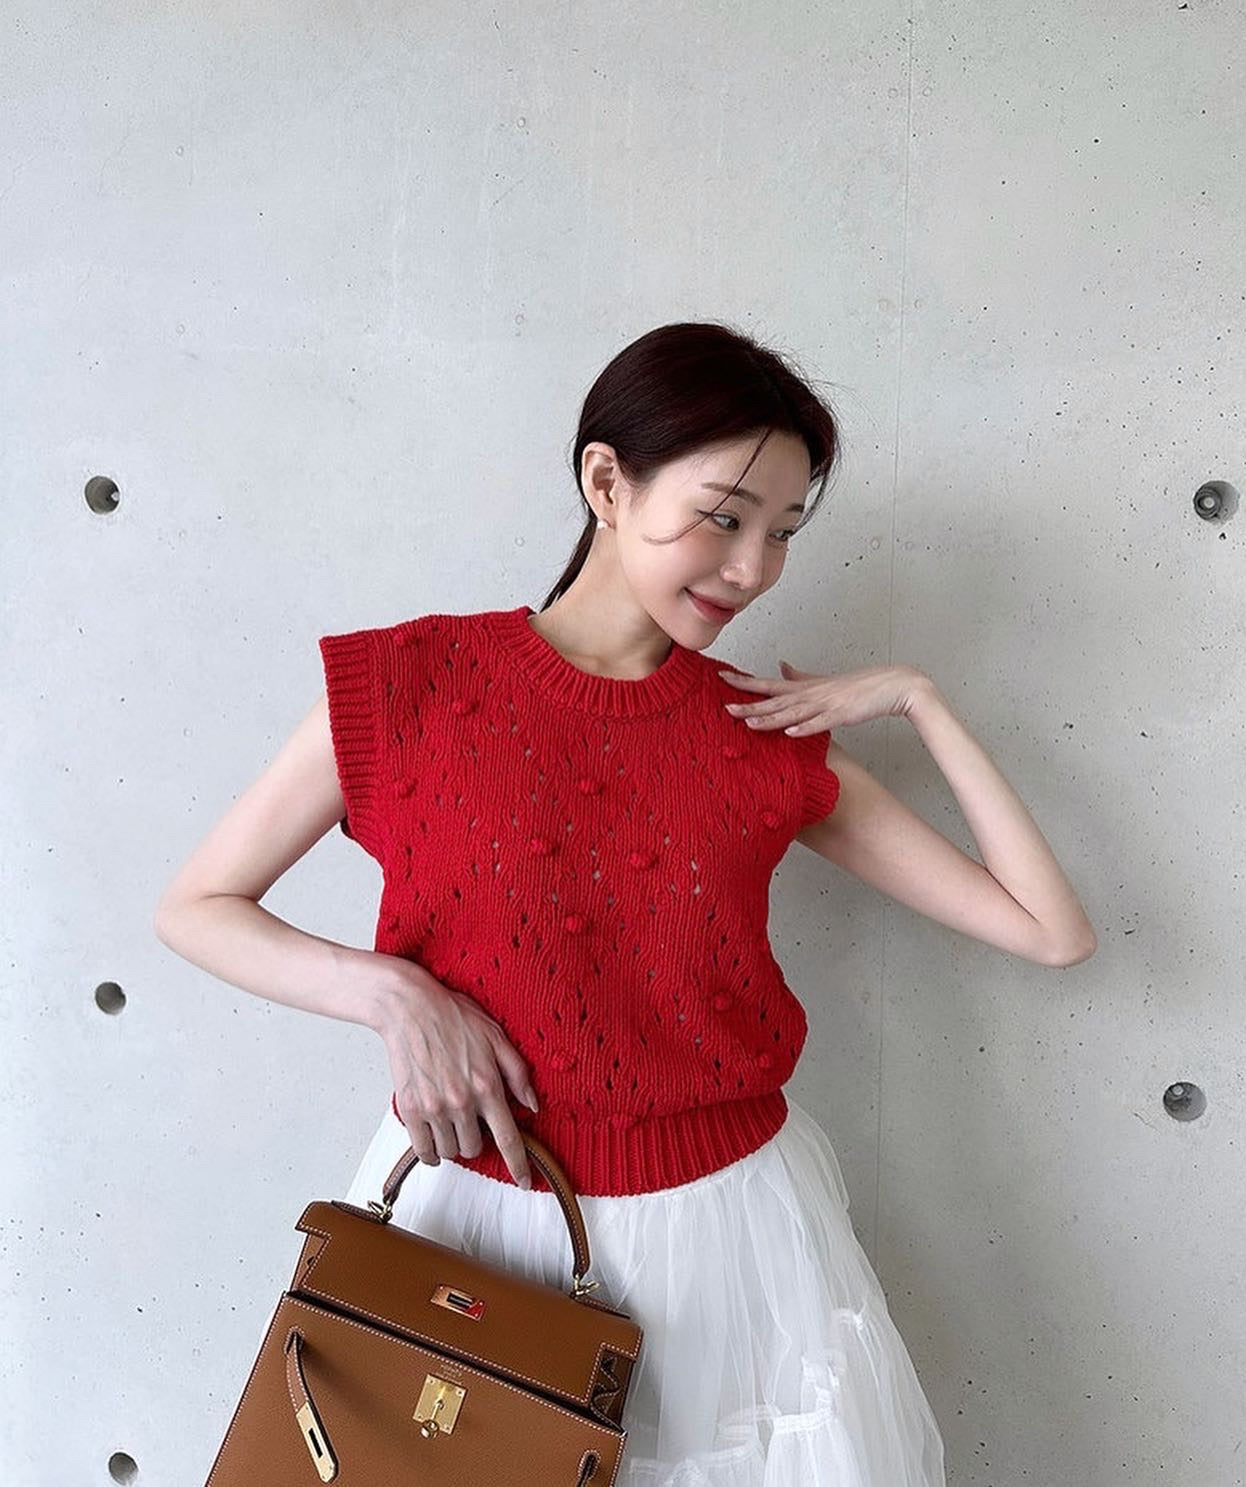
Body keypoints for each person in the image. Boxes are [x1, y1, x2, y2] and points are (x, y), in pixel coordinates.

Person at [156, 320, 1096, 1485]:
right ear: (606, 481)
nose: (751, 567)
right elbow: (199, 903)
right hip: (462, 1215)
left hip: (721, 1237)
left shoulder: (758, 733)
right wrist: (390, 992)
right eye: (724, 516)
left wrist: (920, 700)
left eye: (783, 531)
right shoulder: (408, 682)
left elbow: (1049, 930)